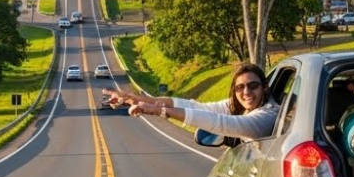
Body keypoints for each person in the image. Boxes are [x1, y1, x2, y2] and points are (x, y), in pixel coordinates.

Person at [102, 63, 278, 140]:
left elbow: (220, 123)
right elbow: (194, 106)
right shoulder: (239, 105)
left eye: (253, 86)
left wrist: (159, 111)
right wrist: (136, 99)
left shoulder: (267, 115)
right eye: (240, 88)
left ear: (264, 87)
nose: (246, 92)